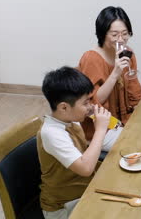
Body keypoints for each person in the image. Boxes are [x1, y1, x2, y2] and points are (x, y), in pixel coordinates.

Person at [38, 66, 111, 219]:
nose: (90, 106)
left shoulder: (69, 119)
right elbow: (85, 169)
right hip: (63, 206)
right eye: (85, 102)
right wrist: (100, 130)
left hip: (83, 190)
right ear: (64, 107)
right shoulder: (51, 133)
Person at [79, 6, 141, 147]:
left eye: (125, 34)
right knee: (137, 144)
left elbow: (135, 91)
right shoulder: (91, 58)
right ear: (102, 34)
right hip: (100, 128)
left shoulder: (127, 53)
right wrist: (115, 73)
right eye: (114, 35)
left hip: (124, 119)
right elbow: (92, 103)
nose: (121, 40)